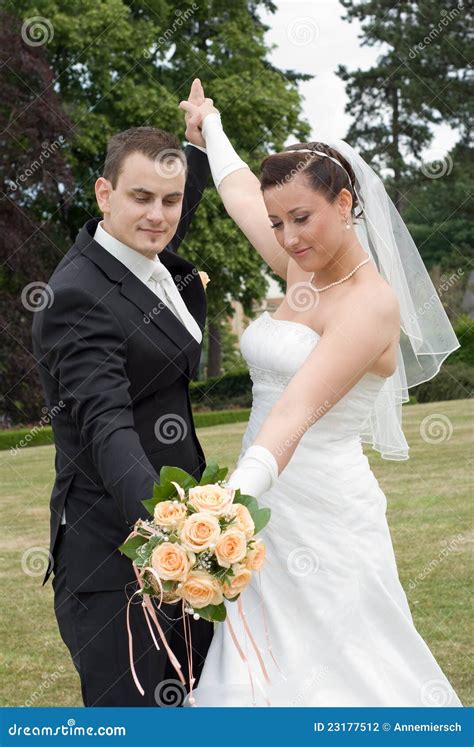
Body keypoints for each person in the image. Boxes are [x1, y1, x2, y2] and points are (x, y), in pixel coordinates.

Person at [178, 81, 463, 707]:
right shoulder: (300, 269)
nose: (285, 236)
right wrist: (212, 126)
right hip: (263, 508)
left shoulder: (371, 303)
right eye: (278, 222)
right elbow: (236, 193)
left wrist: (224, 511)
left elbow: (295, 411)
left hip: (318, 512)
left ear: (345, 200)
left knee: (343, 674)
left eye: (300, 218)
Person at [31, 83, 213, 707]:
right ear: (104, 194)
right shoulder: (77, 298)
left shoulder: (143, 250)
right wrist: (177, 537)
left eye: (171, 200)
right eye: (140, 198)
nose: (159, 215)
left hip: (175, 554)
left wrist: (200, 146)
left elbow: (171, 204)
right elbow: (108, 429)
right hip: (117, 564)